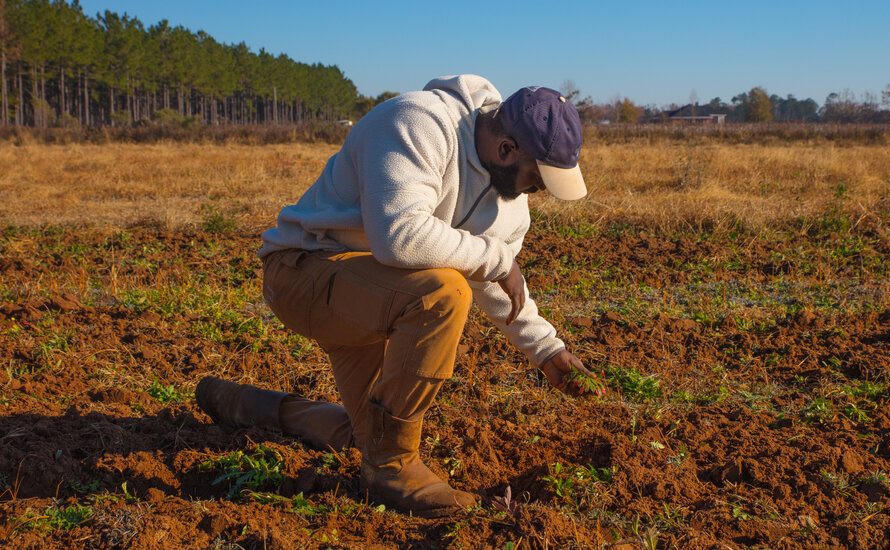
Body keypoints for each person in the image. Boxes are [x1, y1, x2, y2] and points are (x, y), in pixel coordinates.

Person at [195, 75, 599, 517]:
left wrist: (546, 349)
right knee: (442, 294)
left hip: (376, 291)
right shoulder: (419, 122)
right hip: (305, 269)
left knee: (369, 437)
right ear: (506, 150)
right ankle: (394, 469)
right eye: (535, 180)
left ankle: (253, 406)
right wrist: (497, 259)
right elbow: (399, 236)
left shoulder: (509, 201)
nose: (534, 193)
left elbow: (489, 275)